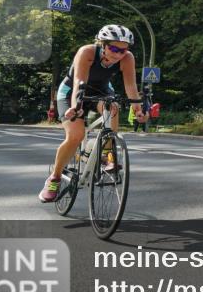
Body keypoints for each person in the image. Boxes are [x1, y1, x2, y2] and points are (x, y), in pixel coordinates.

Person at [39, 25, 145, 203]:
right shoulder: (87, 52)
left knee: (113, 108)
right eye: (114, 48)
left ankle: (108, 155)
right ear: (102, 44)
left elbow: (131, 86)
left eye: (123, 50)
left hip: (101, 92)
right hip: (71, 91)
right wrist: (75, 106)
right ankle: (54, 178)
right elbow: (79, 81)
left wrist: (138, 109)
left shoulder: (127, 58)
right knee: (76, 135)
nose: (118, 54)